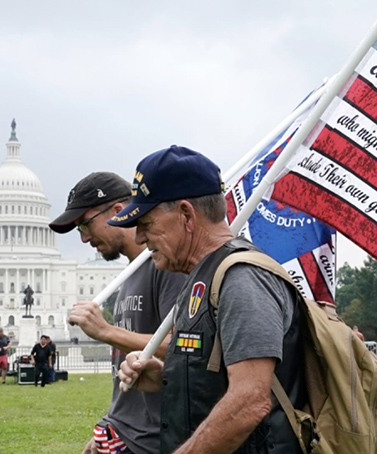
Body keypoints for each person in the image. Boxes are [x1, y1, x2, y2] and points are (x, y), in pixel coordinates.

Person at [114, 146, 307, 453]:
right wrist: (167, 377)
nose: (138, 238)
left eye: (146, 225)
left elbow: (250, 400)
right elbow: (221, 381)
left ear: (186, 215)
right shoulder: (202, 276)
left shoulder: (241, 279)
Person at [50, 171, 186, 454]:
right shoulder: (129, 274)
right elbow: (124, 369)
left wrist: (106, 331)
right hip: (123, 434)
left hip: (152, 442)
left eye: (86, 224)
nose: (85, 238)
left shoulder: (167, 268)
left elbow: (183, 344)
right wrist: (111, 423)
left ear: (118, 210)